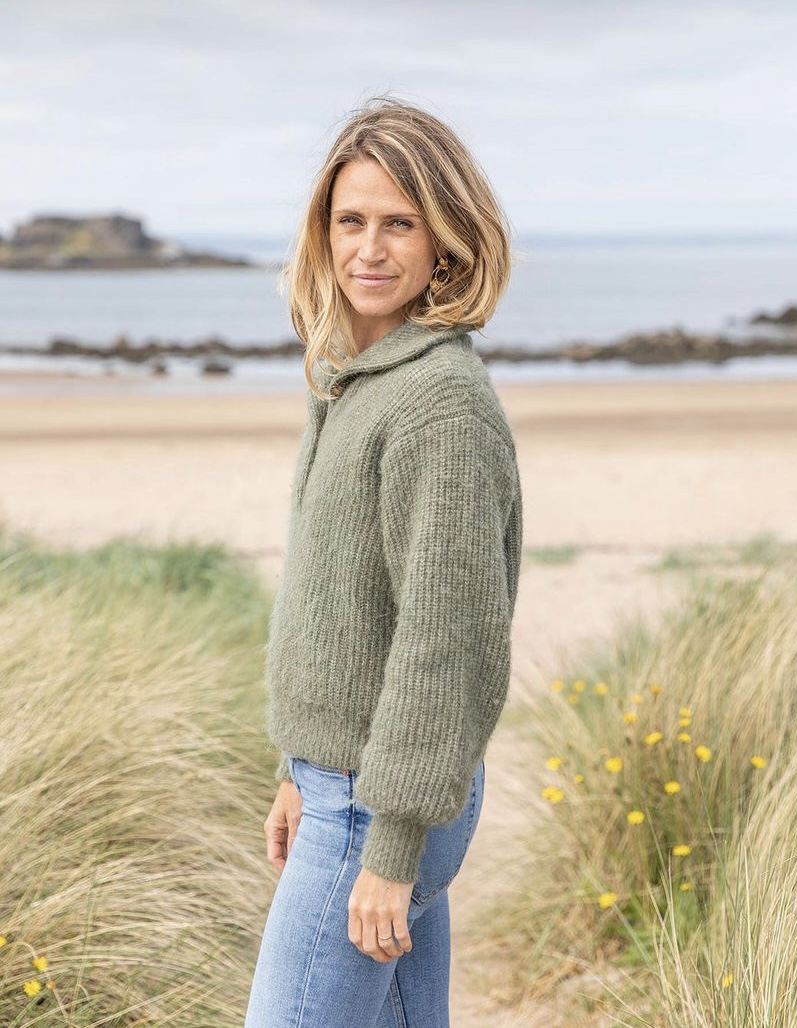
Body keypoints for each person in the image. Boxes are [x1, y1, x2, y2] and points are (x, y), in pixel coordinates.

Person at [244, 96, 523, 1028]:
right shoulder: (351, 381)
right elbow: (343, 613)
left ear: (446, 240)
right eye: (350, 220)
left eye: (399, 223)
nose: (371, 248)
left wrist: (392, 845)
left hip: (379, 805)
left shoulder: (437, 405)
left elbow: (447, 645)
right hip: (343, 785)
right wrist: (295, 766)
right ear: (320, 235)